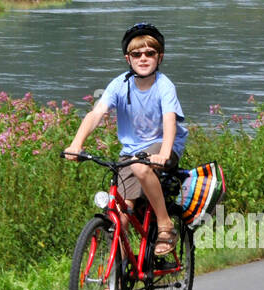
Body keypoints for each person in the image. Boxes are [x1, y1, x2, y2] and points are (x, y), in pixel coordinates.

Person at [66, 22, 189, 268]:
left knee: (142, 169)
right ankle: (114, 282)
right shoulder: (120, 84)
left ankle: (165, 225)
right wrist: (76, 144)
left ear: (159, 57)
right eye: (137, 54)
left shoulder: (164, 86)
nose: (143, 58)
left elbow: (170, 120)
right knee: (118, 218)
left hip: (162, 146)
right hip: (131, 153)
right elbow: (96, 114)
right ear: (128, 58)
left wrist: (164, 153)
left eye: (150, 53)